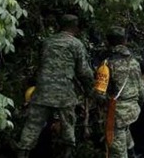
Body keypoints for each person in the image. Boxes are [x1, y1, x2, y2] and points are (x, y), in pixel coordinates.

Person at [15, 14, 94, 158]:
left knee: (32, 125)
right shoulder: (76, 44)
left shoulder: (47, 42)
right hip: (64, 92)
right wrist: (90, 89)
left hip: (43, 91)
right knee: (68, 125)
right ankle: (67, 153)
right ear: (75, 28)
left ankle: (22, 153)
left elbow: (41, 64)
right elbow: (83, 72)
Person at [102, 27, 144, 158]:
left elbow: (99, 93)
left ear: (108, 42)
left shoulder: (107, 64)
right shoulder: (134, 62)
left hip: (117, 113)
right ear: (125, 41)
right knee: (126, 132)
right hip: (133, 109)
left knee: (116, 150)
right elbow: (142, 90)